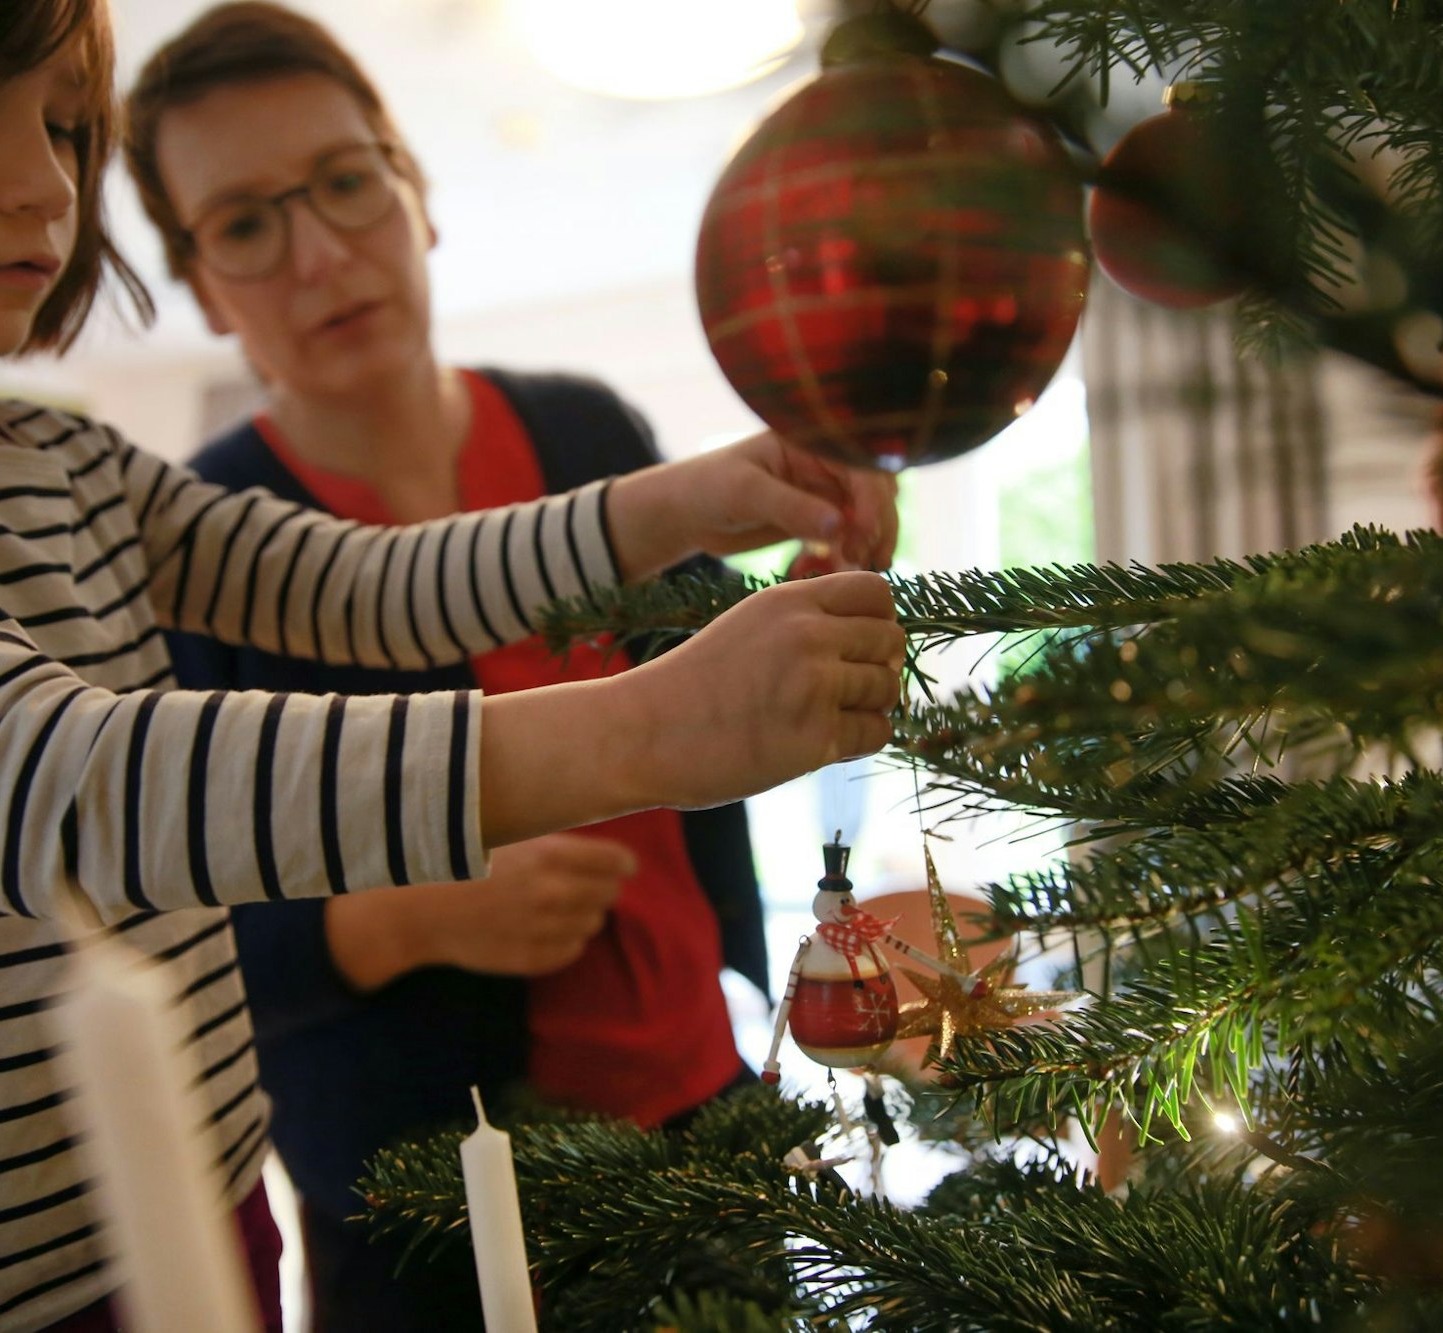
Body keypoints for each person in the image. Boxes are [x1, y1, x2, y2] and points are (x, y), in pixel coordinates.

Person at [0, 2, 907, 1329]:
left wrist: (692, 498)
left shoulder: (66, 461)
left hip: (204, 1198)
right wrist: (643, 730)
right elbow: (44, 783)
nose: (43, 184)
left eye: (63, 128)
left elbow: (364, 585)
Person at [118, 8, 900, 1328]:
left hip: (712, 1113)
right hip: (426, 1200)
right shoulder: (191, 542)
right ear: (202, 285)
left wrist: (807, 619)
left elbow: (708, 683)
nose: (318, 254)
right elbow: (156, 930)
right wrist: (403, 915)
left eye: (346, 182)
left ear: (414, 193)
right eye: (247, 224)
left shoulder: (586, 430)